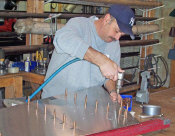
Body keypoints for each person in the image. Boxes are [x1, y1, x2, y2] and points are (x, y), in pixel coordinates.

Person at [42, 4, 135, 103]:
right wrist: (102, 60)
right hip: (57, 101)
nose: (117, 38)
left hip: (86, 104)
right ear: (107, 19)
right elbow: (62, 39)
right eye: (117, 31)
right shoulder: (80, 24)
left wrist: (112, 91)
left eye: (122, 35)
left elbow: (110, 77)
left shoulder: (114, 44)